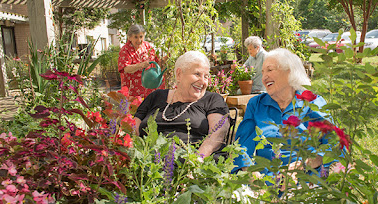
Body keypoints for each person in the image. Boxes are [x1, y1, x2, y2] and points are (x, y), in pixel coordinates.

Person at [232, 48, 331, 177]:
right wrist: (251, 174)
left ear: (289, 72)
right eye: (262, 72)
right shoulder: (256, 104)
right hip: (265, 182)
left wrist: (301, 166)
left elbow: (333, 144)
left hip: (305, 179)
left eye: (270, 70)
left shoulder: (312, 102)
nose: (264, 77)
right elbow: (242, 147)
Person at [134, 51, 229, 158]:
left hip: (190, 162)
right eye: (197, 74)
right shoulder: (156, 96)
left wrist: (197, 160)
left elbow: (217, 134)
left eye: (206, 76)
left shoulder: (212, 99)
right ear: (179, 74)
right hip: (149, 161)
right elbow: (134, 127)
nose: (203, 82)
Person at [118, 24, 165, 98]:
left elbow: (156, 61)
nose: (139, 40)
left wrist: (165, 60)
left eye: (141, 37)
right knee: (135, 108)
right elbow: (126, 69)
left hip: (149, 88)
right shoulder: (125, 50)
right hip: (133, 91)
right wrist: (141, 65)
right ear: (130, 37)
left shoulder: (147, 46)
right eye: (136, 37)